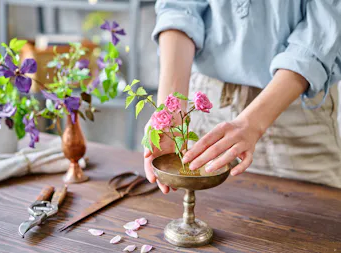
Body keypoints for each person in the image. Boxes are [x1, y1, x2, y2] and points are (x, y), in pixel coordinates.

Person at [144, 0, 341, 193]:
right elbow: (179, 9)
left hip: (296, 106)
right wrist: (170, 112)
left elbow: (324, 30)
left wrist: (253, 122)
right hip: (206, 101)